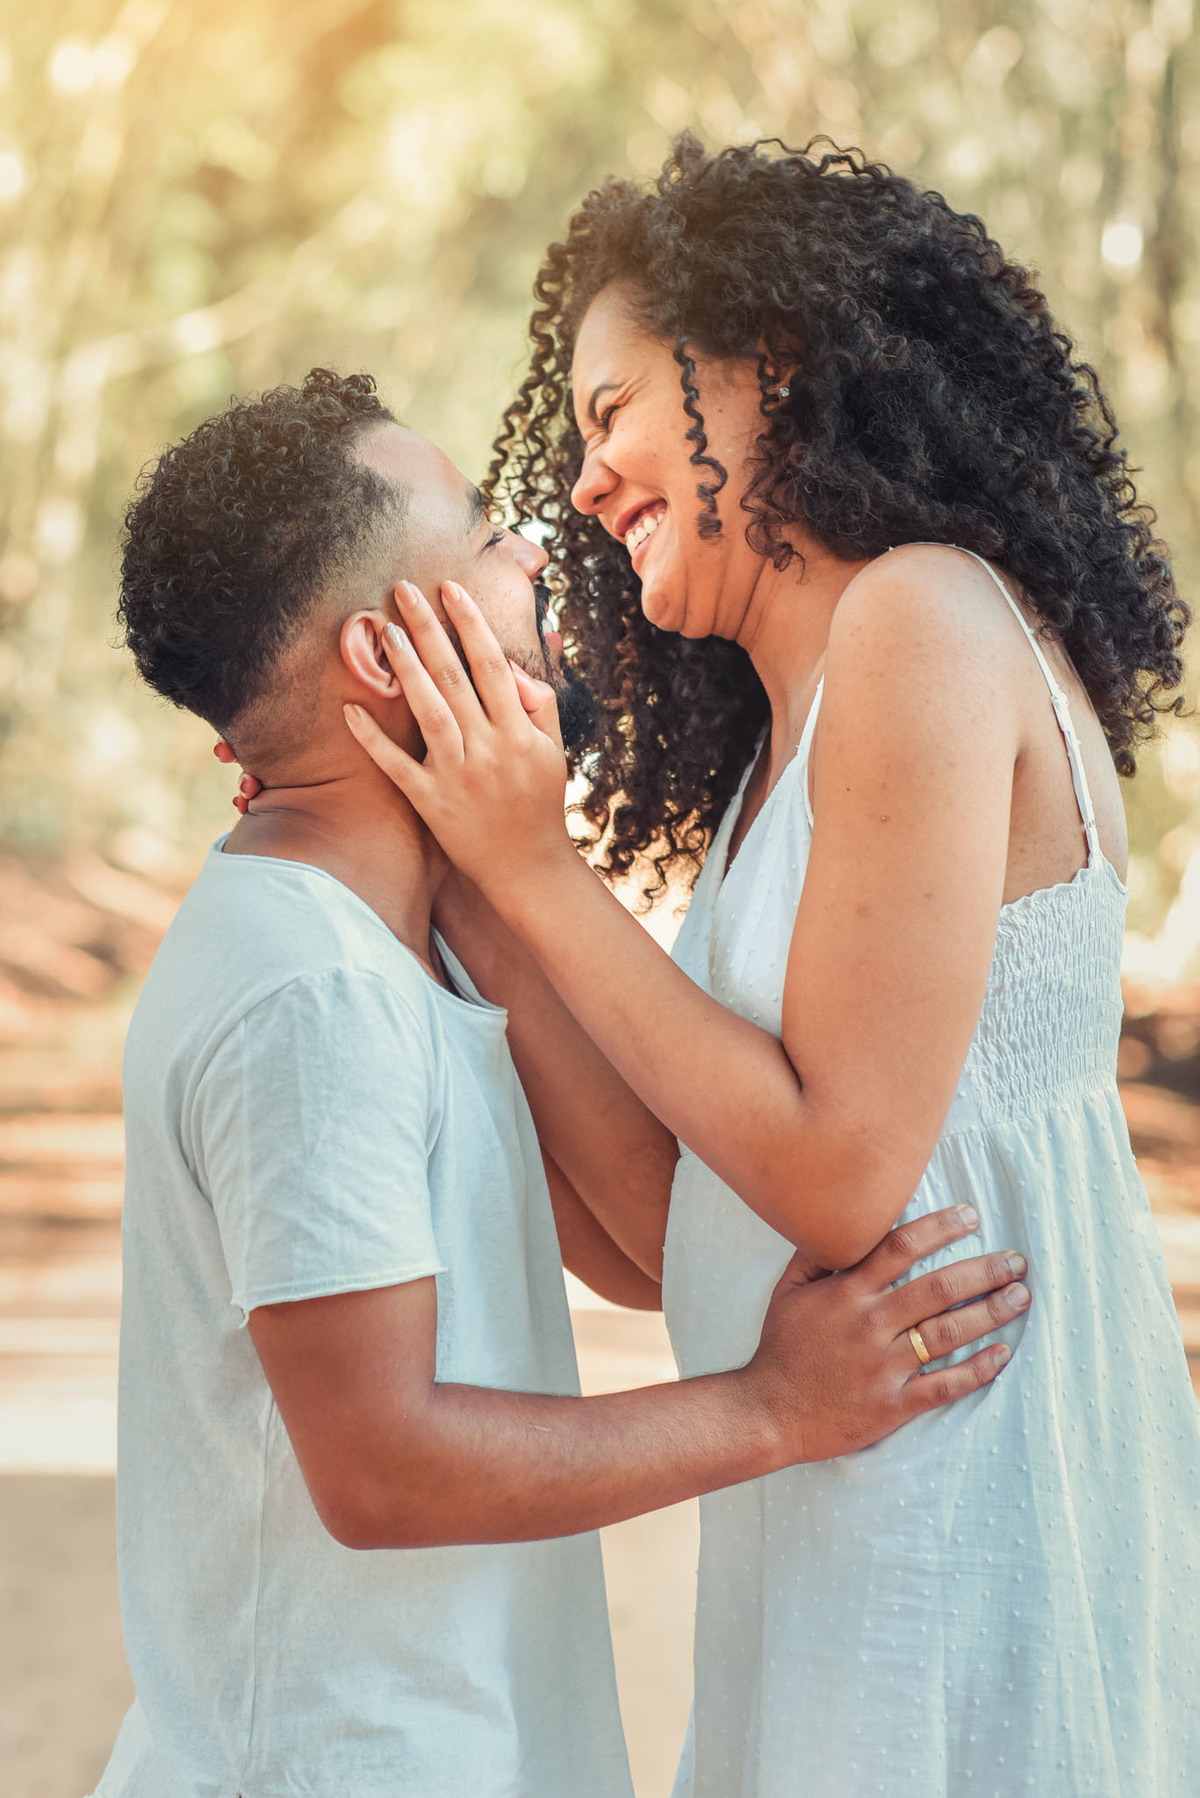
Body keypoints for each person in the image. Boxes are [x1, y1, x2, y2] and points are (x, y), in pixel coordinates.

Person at [341, 139, 1200, 1796]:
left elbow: (832, 1170)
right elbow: (680, 1230)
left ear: (768, 369)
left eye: (612, 416)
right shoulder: (774, 755)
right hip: (840, 1489)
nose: (587, 485)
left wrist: (532, 863)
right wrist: (474, 865)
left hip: (968, 1509)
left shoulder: (924, 618)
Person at [92, 367, 1024, 1798]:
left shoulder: (405, 937)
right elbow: (383, 1464)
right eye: (482, 537)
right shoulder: (314, 992)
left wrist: (497, 872)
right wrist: (780, 1407)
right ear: (388, 656)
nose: (535, 555)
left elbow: (645, 1235)